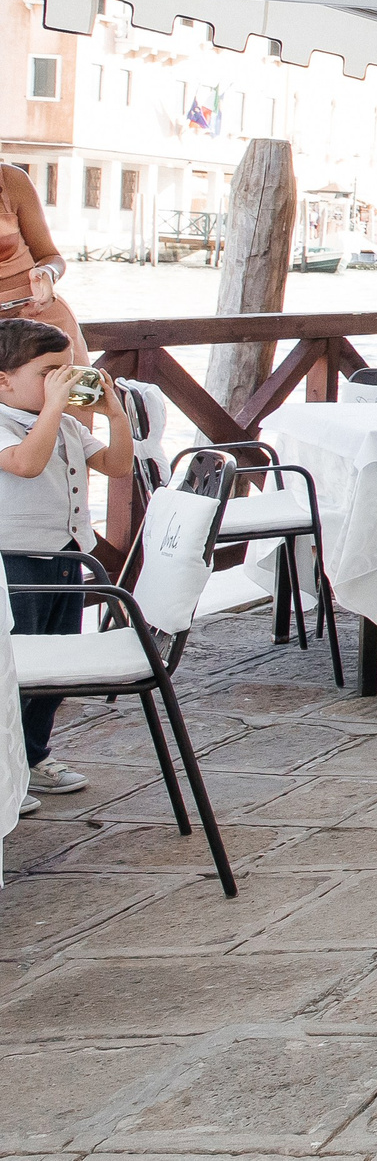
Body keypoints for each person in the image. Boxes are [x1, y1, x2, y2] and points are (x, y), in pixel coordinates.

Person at [2, 318, 134, 810]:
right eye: (50, 372)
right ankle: (5, 770)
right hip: (13, 564)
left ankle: (33, 757)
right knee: (13, 667)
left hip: (64, 558)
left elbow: (117, 466)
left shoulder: (69, 424)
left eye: (69, 370)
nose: (64, 380)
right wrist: (55, 408)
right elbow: (25, 464)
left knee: (54, 667)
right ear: (3, 379)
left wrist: (115, 414)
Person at [0, 165, 85, 362]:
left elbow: (51, 257)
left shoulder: (12, 179)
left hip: (40, 319)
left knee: (73, 391)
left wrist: (47, 273)